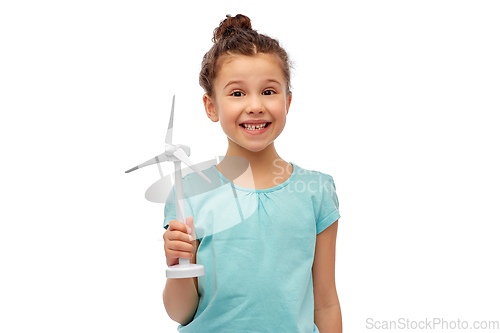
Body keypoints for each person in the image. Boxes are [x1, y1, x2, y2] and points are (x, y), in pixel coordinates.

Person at [162, 14, 342, 333]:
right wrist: (178, 264)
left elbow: (325, 300)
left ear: (288, 101)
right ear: (211, 106)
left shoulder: (316, 190)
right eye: (237, 93)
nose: (255, 105)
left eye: (269, 92)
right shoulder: (189, 192)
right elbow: (181, 313)